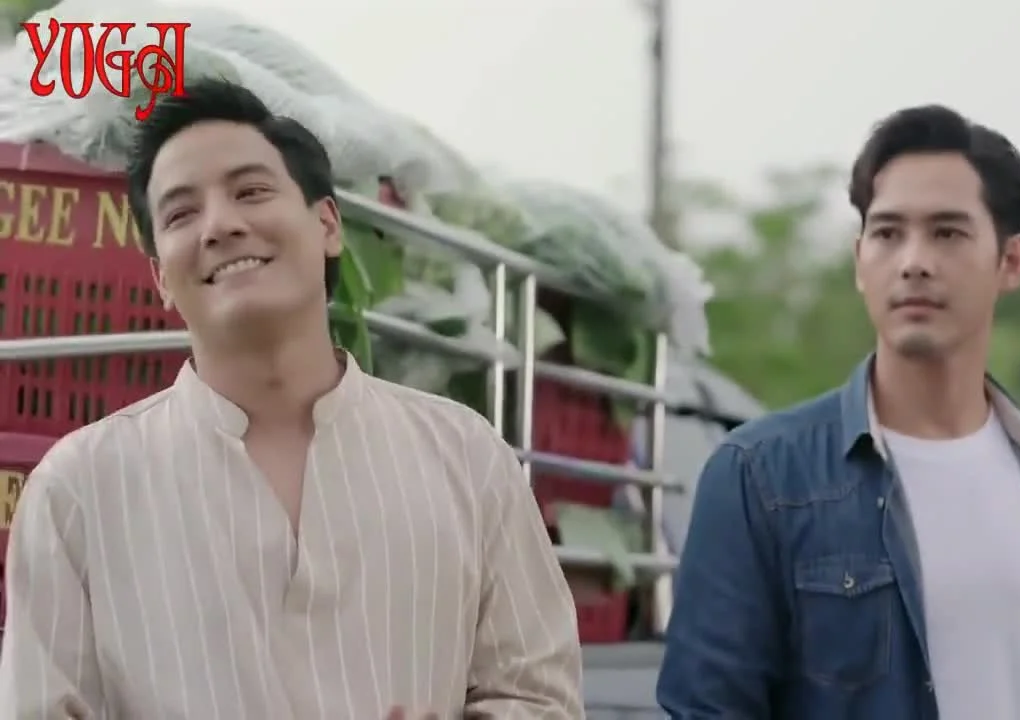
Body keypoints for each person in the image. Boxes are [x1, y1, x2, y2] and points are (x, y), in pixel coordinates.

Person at [0, 78, 585, 720]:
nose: (221, 225)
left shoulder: (467, 458)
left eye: (251, 191)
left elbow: (539, 696)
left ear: (328, 224)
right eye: (181, 214)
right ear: (161, 277)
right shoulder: (79, 489)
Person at [656, 105, 1020, 719]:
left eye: (947, 233)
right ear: (859, 260)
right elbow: (709, 708)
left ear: (1011, 261)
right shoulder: (761, 479)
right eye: (888, 233)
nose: (913, 261)